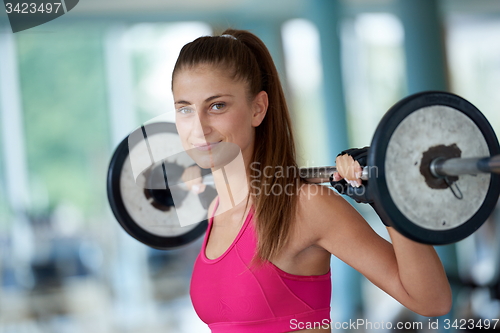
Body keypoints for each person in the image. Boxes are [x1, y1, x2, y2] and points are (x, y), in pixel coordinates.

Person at [172, 28, 452, 333]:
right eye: (185, 108)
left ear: (257, 108)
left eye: (217, 106)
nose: (198, 127)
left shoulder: (306, 206)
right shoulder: (216, 209)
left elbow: (432, 300)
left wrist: (389, 197)